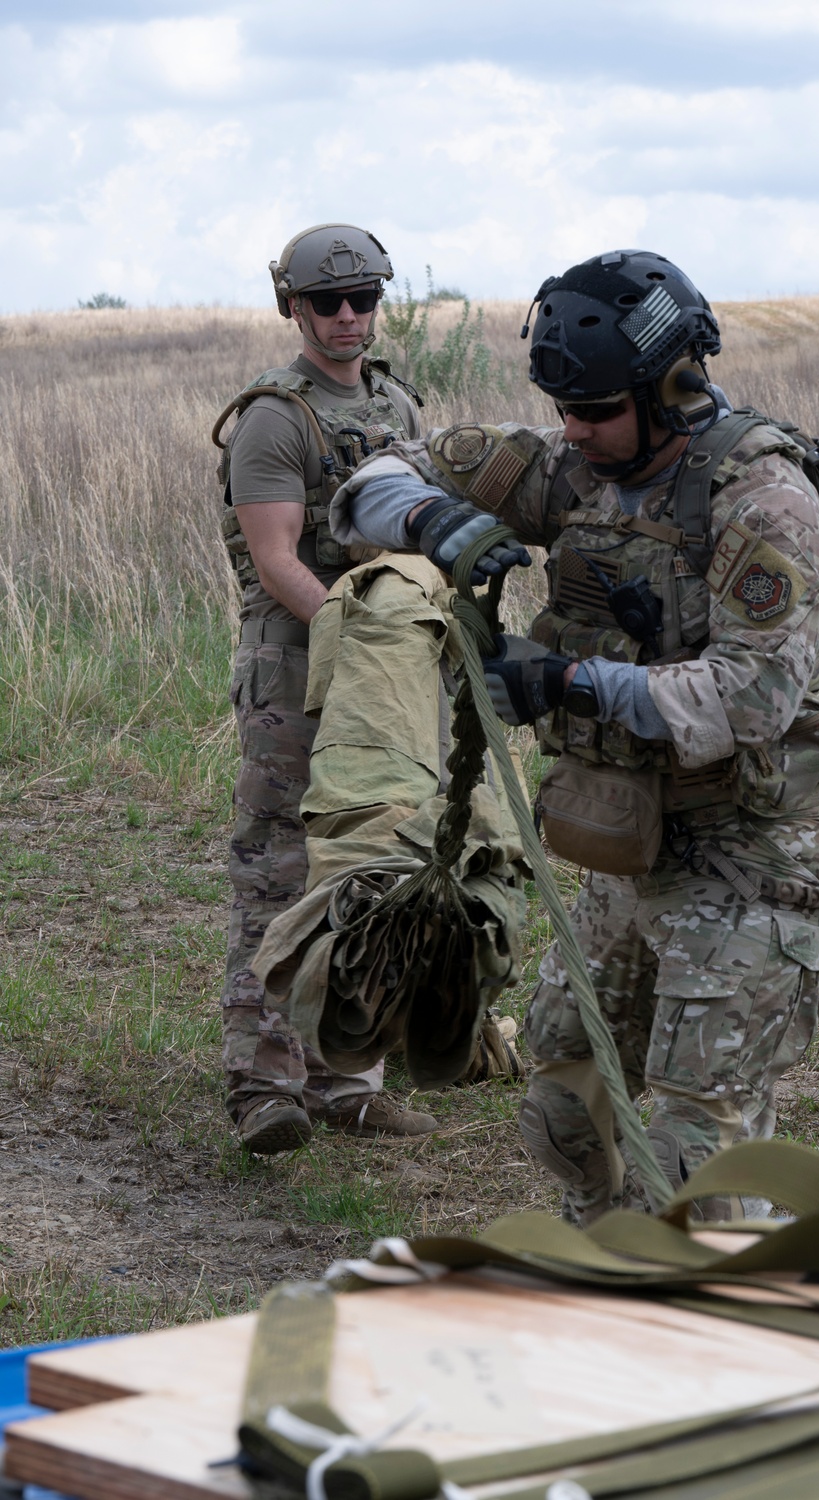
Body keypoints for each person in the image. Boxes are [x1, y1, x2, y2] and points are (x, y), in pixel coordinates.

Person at [328, 248, 819, 1222]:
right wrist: (436, 518)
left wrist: (569, 681)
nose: (573, 431)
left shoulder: (760, 498)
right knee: (561, 1110)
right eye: (563, 409)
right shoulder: (575, 466)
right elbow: (367, 489)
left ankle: (720, 1323)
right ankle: (613, 1270)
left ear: (673, 386)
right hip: (625, 847)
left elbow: (753, 698)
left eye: (597, 412)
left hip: (746, 854)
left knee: (699, 1158)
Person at [216, 222, 437, 1154]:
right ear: (293, 307)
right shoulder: (275, 416)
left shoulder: (400, 405)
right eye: (326, 303)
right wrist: (356, 639)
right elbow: (275, 559)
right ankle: (264, 1086)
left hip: (384, 667)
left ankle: (350, 1076)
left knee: (376, 862)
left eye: (365, 301)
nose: (349, 319)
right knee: (280, 867)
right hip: (298, 668)